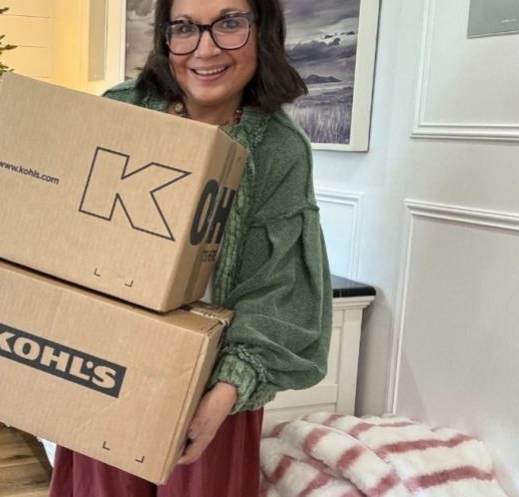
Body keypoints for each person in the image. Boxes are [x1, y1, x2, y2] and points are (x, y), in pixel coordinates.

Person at [48, 0, 333, 495]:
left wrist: (227, 389)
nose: (205, 49)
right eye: (184, 28)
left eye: (229, 23)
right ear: (165, 36)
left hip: (210, 385)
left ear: (262, 30)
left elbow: (277, 287)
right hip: (105, 368)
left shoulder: (279, 150)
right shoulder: (122, 110)